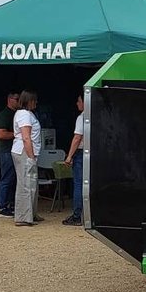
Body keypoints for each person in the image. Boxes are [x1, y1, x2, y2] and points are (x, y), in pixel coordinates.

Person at [11, 90, 43, 227]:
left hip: (28, 151)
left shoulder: (28, 114)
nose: (36, 102)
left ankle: (31, 214)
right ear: (28, 101)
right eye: (34, 100)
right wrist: (30, 156)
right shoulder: (24, 114)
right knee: (25, 184)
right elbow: (26, 137)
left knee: (31, 182)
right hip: (24, 151)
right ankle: (23, 217)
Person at [0, 91, 20, 217]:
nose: (19, 101)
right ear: (9, 99)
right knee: (6, 178)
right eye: (17, 99)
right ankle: (2, 206)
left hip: (15, 151)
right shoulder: (4, 114)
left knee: (14, 179)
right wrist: (18, 134)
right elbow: (0, 134)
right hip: (7, 151)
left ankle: (10, 204)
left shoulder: (18, 113)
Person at [62, 93, 86, 226]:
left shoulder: (81, 118)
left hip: (81, 153)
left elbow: (77, 138)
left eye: (79, 101)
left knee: (78, 184)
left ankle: (77, 215)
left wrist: (69, 156)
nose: (77, 103)